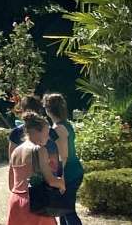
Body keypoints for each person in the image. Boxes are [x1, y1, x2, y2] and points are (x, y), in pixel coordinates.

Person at [9, 112, 66, 225]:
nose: (48, 137)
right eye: (47, 133)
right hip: (35, 202)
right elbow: (51, 180)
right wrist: (63, 183)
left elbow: (11, 182)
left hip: (15, 200)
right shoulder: (39, 150)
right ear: (36, 132)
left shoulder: (16, 151)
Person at [44, 93, 84, 225]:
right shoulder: (66, 124)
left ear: (48, 110)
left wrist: (61, 179)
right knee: (63, 210)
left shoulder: (58, 128)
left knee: (68, 212)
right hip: (73, 170)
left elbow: (64, 155)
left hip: (68, 172)